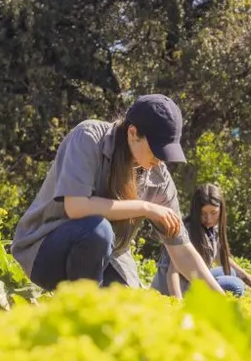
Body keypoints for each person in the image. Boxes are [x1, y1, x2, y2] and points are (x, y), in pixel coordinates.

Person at [11, 94, 223, 294]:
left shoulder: (158, 177)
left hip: (109, 258)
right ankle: (82, 313)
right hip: (46, 251)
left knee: (132, 311)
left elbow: (181, 249)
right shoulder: (89, 137)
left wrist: (222, 299)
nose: (160, 160)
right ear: (132, 133)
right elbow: (76, 207)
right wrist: (145, 207)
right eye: (156, 150)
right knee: (98, 231)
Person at [151, 184, 251, 298]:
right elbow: (172, 272)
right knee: (235, 286)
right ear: (196, 211)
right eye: (203, 214)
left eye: (213, 213)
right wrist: (177, 303)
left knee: (230, 272)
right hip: (175, 289)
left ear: (221, 209)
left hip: (191, 281)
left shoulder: (212, 229)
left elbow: (220, 257)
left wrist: (246, 276)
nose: (208, 219)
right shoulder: (186, 231)